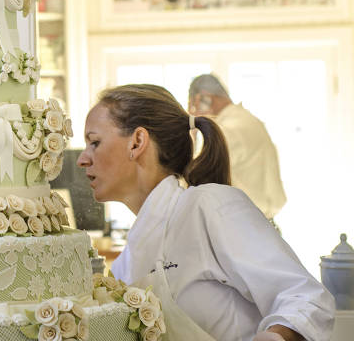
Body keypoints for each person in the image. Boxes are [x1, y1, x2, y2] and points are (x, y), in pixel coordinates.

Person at [77, 84, 334, 341]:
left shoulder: (208, 206)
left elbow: (306, 299)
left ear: (137, 142)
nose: (82, 159)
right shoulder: (125, 264)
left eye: (94, 142)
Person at [188, 73, 287, 221]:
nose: (194, 113)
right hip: (262, 224)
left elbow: (196, 181)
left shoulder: (226, 131)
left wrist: (192, 133)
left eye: (194, 106)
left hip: (247, 226)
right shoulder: (250, 121)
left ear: (205, 99)